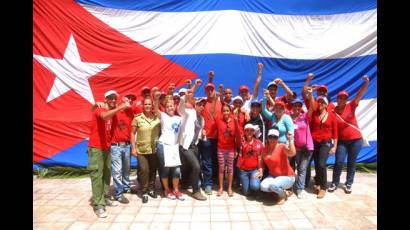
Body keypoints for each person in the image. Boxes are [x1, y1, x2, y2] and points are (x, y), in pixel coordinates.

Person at [88, 90, 130, 218]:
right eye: (110, 98)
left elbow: (112, 130)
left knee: (107, 174)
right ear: (105, 99)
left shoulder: (114, 114)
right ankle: (98, 205)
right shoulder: (100, 109)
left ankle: (105, 197)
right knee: (97, 176)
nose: (113, 100)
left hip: (107, 148)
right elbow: (104, 116)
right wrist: (121, 107)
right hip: (96, 148)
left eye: (114, 99)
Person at [328, 76, 370, 194]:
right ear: (337, 99)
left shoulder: (351, 105)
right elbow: (322, 101)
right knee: (339, 162)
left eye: (344, 98)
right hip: (341, 142)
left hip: (356, 140)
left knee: (352, 162)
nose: (342, 100)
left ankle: (348, 183)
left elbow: (360, 94)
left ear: (346, 100)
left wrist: (366, 82)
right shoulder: (332, 110)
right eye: (340, 98)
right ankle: (335, 183)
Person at [153, 90, 185, 201]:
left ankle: (176, 190)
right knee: (165, 169)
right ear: (165, 108)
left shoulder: (179, 118)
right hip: (164, 146)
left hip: (174, 147)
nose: (170, 108)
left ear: (175, 106)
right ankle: (167, 190)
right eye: (168, 106)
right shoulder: (163, 116)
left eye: (172, 106)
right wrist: (156, 99)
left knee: (176, 170)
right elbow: (156, 109)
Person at [178, 81, 208, 200]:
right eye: (200, 104)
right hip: (185, 145)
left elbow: (198, 134)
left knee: (188, 166)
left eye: (203, 105)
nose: (201, 106)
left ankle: (185, 184)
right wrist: (184, 97)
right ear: (195, 105)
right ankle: (196, 191)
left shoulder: (202, 119)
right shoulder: (189, 113)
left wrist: (203, 135)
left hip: (194, 146)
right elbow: (180, 109)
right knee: (196, 166)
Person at [306, 90, 338, 199]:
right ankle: (318, 183)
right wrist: (310, 95)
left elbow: (335, 133)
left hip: (325, 143)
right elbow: (311, 104)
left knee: (321, 164)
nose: (320, 104)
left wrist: (334, 146)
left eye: (322, 102)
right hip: (314, 142)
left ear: (326, 105)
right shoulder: (314, 113)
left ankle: (323, 188)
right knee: (316, 164)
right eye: (318, 102)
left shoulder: (332, 116)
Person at [130, 97, 160, 204]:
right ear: (143, 105)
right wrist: (133, 148)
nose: (148, 106)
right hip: (141, 149)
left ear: (152, 106)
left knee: (153, 170)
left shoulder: (157, 118)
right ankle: (144, 191)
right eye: (146, 104)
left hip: (154, 149)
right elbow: (132, 133)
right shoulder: (138, 118)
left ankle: (151, 189)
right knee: (144, 170)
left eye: (149, 104)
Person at [260, 129, 296, 205]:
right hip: (273, 176)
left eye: (275, 137)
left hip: (288, 177)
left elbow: (292, 153)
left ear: (278, 138)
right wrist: (261, 170)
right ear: (267, 137)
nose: (272, 139)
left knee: (273, 185)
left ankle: (283, 195)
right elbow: (261, 161)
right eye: (270, 137)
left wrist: (290, 140)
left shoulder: (282, 147)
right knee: (263, 187)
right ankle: (282, 192)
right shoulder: (265, 149)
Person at [199, 71, 221, 195]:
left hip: (219, 137)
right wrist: (201, 129)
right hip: (207, 137)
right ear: (205, 92)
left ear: (214, 91)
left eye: (211, 90)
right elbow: (198, 118)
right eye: (207, 90)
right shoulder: (202, 103)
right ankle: (208, 184)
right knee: (207, 162)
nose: (209, 91)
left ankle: (215, 181)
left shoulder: (220, 103)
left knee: (216, 160)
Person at [214, 103, 241, 197]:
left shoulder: (234, 120)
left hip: (230, 149)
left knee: (230, 169)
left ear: (230, 112)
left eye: (227, 110)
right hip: (220, 148)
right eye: (224, 111)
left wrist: (237, 149)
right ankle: (221, 188)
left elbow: (238, 135)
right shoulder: (218, 120)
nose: (225, 112)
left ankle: (229, 188)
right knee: (221, 169)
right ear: (221, 112)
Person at [290, 98, 314, 199]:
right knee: (293, 168)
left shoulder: (305, 117)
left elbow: (312, 107)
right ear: (292, 106)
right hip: (294, 149)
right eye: (295, 105)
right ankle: (290, 186)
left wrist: (311, 95)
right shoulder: (289, 118)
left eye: (299, 106)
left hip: (306, 148)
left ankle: (300, 189)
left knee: (302, 169)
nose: (297, 107)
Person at [237, 124, 264, 197]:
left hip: (254, 170)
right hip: (244, 170)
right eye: (247, 130)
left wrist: (261, 170)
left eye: (251, 130)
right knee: (246, 193)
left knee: (255, 186)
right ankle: (248, 185)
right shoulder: (241, 143)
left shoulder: (259, 143)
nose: (249, 132)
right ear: (244, 132)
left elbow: (261, 157)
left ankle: (255, 186)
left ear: (254, 132)